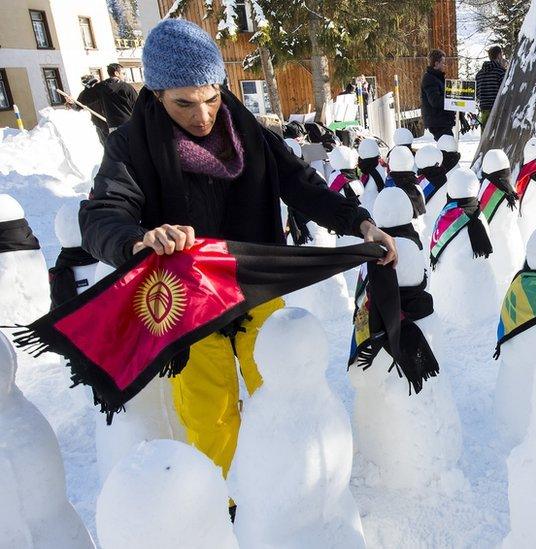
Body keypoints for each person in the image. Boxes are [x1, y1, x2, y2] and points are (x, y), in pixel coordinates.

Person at [79, 19, 397, 480]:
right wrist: (137, 239)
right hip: (184, 302)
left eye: (211, 97)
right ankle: (230, 507)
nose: (203, 114)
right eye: (184, 104)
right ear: (155, 94)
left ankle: (293, 491)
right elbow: (101, 212)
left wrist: (358, 222)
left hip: (255, 287)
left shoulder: (245, 127)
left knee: (283, 396)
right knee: (210, 415)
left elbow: (301, 184)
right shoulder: (130, 145)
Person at [421, 49, 454, 140]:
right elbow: (435, 101)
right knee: (448, 149)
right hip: (438, 122)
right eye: (443, 63)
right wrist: (453, 103)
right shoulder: (430, 78)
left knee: (448, 148)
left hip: (442, 121)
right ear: (436, 64)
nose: (445, 65)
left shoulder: (438, 78)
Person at [95, 63, 139, 132]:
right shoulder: (126, 87)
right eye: (123, 73)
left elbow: (86, 98)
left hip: (113, 127)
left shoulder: (100, 88)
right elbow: (138, 106)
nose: (124, 76)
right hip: (129, 125)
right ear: (116, 73)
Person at [70, 74, 109, 145]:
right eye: (93, 82)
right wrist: (71, 103)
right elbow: (78, 106)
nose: (96, 84)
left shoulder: (104, 88)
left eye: (96, 82)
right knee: (107, 144)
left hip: (112, 119)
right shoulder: (85, 94)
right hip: (100, 123)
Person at [475, 45, 507, 126]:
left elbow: (477, 94)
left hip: (483, 111)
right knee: (497, 137)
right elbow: (505, 92)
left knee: (485, 136)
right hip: (497, 111)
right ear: (499, 55)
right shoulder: (500, 72)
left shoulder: (479, 74)